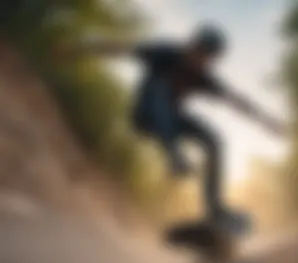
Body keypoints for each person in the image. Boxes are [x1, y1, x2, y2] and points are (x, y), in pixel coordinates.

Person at [59, 25, 283, 230]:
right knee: (160, 89)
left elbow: (236, 101)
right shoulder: (164, 53)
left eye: (207, 59)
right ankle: (174, 155)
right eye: (199, 53)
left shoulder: (203, 78)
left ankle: (215, 212)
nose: (201, 61)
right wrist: (78, 48)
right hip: (144, 116)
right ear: (192, 45)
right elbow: (120, 49)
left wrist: (268, 122)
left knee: (214, 141)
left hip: (173, 122)